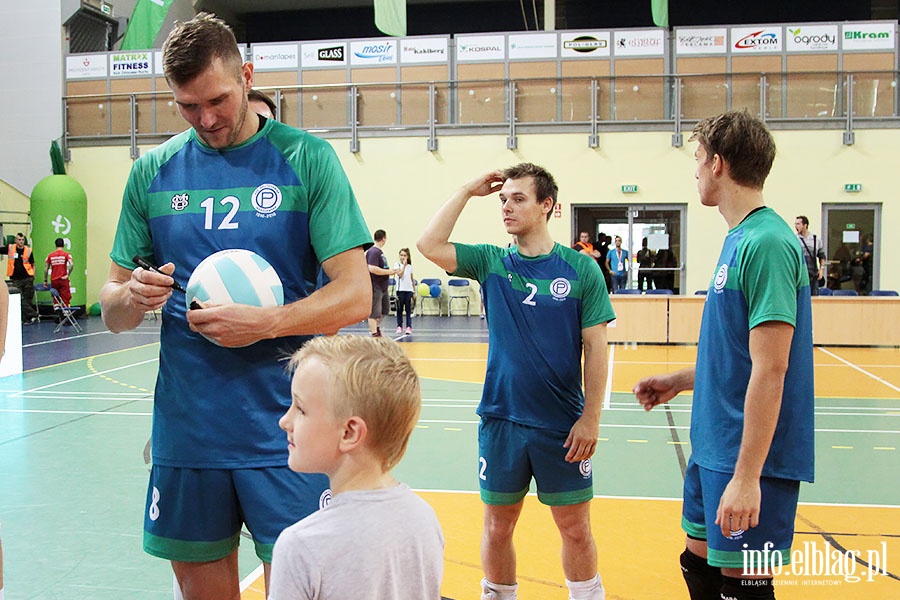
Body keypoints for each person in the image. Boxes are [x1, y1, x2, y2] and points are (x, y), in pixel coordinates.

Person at [99, 13, 372, 600]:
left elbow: (355, 293)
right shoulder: (152, 173)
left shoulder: (306, 160)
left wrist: (267, 324)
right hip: (188, 431)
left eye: (218, 99)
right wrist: (129, 297)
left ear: (247, 75)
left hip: (291, 428)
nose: (208, 119)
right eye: (188, 107)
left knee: (303, 588)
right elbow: (111, 310)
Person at [633, 111, 814, 600]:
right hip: (715, 445)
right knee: (698, 563)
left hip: (747, 455)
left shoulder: (769, 243)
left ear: (717, 164)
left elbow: (773, 368)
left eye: (696, 160)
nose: (694, 171)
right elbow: (740, 355)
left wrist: (748, 477)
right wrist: (684, 379)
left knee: (743, 586)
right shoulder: (739, 238)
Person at [417, 162, 615, 600]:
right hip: (501, 420)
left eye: (518, 199)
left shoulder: (581, 270)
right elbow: (429, 243)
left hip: (561, 426)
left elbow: (597, 349)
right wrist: (469, 189)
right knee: (498, 525)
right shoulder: (491, 261)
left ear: (547, 206)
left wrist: (591, 417)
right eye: (503, 199)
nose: (505, 207)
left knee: (575, 528)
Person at [269, 335, 444, 599]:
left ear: (350, 433)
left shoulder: (302, 546)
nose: (285, 420)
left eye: (301, 409)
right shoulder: (424, 519)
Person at [366, 229, 397, 337]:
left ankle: (377, 328)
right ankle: (374, 333)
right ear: (384, 238)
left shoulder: (380, 252)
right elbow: (372, 268)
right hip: (376, 286)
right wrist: (389, 272)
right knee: (374, 312)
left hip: (383, 286)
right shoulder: (373, 252)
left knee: (385, 310)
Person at [2, 233, 37, 323]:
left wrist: (33, 275)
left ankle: (27, 319)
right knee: (20, 299)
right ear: (15, 240)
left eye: (22, 240)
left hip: (27, 277)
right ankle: (33, 314)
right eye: (19, 240)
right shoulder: (10, 248)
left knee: (28, 298)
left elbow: (33, 264)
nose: (21, 242)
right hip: (16, 279)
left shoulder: (28, 250)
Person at [794, 216, 826, 296]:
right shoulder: (795, 239)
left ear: (805, 225)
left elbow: (822, 256)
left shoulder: (816, 239)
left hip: (813, 274)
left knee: (814, 297)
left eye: (798, 224)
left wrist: (821, 269)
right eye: (795, 224)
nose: (796, 226)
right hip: (800, 273)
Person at [44, 237, 74, 306]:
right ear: (63, 245)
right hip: (63, 279)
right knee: (65, 298)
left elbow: (46, 269)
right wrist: (68, 274)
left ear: (55, 245)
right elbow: (71, 264)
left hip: (54, 280)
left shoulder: (50, 256)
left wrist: (45, 280)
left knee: (55, 298)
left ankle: (57, 309)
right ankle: (65, 312)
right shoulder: (66, 254)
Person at [394, 248, 415, 334]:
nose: (403, 257)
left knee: (408, 309)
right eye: (401, 255)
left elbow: (411, 279)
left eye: (405, 255)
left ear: (408, 256)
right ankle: (399, 326)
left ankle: (408, 327)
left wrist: (414, 291)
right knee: (399, 309)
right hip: (400, 290)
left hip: (408, 290)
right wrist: (404, 266)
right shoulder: (397, 265)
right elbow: (400, 274)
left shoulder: (410, 267)